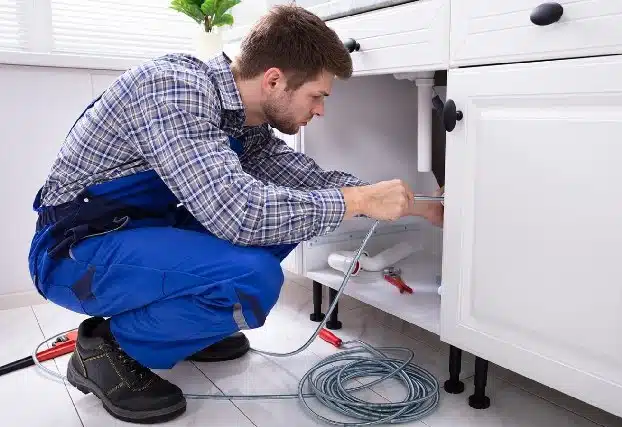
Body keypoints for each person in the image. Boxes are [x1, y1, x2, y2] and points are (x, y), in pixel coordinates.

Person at [27, 4, 443, 424]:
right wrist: (357, 202)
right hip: (75, 253)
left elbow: (309, 182)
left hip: (143, 235)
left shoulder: (246, 121)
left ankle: (184, 327)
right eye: (317, 96)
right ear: (274, 79)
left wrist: (420, 206)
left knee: (292, 212)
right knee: (252, 276)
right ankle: (108, 349)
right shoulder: (173, 89)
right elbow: (240, 215)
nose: (320, 111)